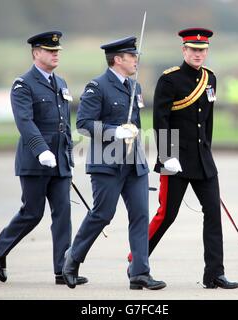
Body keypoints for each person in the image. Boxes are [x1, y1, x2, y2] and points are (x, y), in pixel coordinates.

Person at [128, 28, 238, 289]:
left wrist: (207, 152)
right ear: (184, 50)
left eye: (202, 50)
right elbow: (161, 120)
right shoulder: (170, 80)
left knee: (213, 214)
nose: (198, 54)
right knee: (166, 215)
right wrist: (167, 156)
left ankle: (214, 273)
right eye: (193, 49)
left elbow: (207, 121)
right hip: (174, 160)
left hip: (202, 160)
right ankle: (136, 261)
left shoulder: (210, 78)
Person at [62, 36, 166, 290]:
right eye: (132, 57)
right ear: (117, 59)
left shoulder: (135, 87)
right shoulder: (97, 87)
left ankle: (140, 271)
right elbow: (84, 124)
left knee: (140, 215)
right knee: (102, 214)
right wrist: (115, 131)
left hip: (134, 163)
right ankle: (73, 258)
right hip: (107, 164)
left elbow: (137, 125)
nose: (136, 61)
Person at [0, 31, 87, 286]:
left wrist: (67, 156)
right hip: (35, 161)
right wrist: (41, 149)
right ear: (36, 53)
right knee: (32, 213)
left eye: (57, 51)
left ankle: (62, 269)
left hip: (60, 162)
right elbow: (25, 121)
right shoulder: (23, 84)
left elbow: (64, 123)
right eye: (50, 50)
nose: (55, 54)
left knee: (63, 214)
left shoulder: (61, 83)